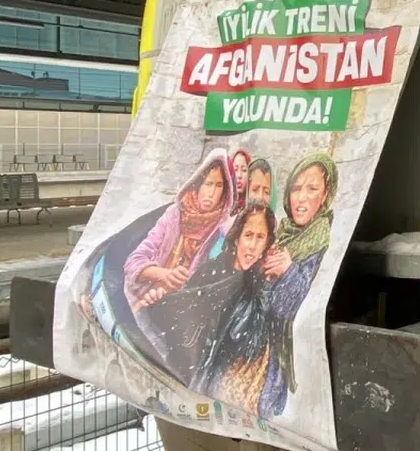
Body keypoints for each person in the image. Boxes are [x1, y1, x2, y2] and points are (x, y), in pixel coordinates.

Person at [259, 153, 337, 418]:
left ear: (325, 194)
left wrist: (287, 270)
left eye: (312, 189)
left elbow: (299, 303)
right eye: (295, 188)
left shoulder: (324, 240)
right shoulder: (283, 234)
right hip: (261, 346)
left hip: (289, 357)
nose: (301, 198)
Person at [191, 201, 279, 415]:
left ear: (267, 244)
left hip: (223, 386)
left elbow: (249, 345)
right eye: (248, 235)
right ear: (237, 237)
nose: (252, 245)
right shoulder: (211, 271)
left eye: (260, 237)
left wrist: (266, 286)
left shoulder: (261, 284)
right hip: (196, 378)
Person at [123, 149, 235, 311]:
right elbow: (134, 261)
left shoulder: (223, 229)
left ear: (225, 191)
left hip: (184, 309)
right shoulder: (174, 214)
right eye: (208, 184)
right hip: (142, 296)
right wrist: (163, 274)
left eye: (219, 186)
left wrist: (172, 290)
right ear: (198, 185)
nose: (211, 193)